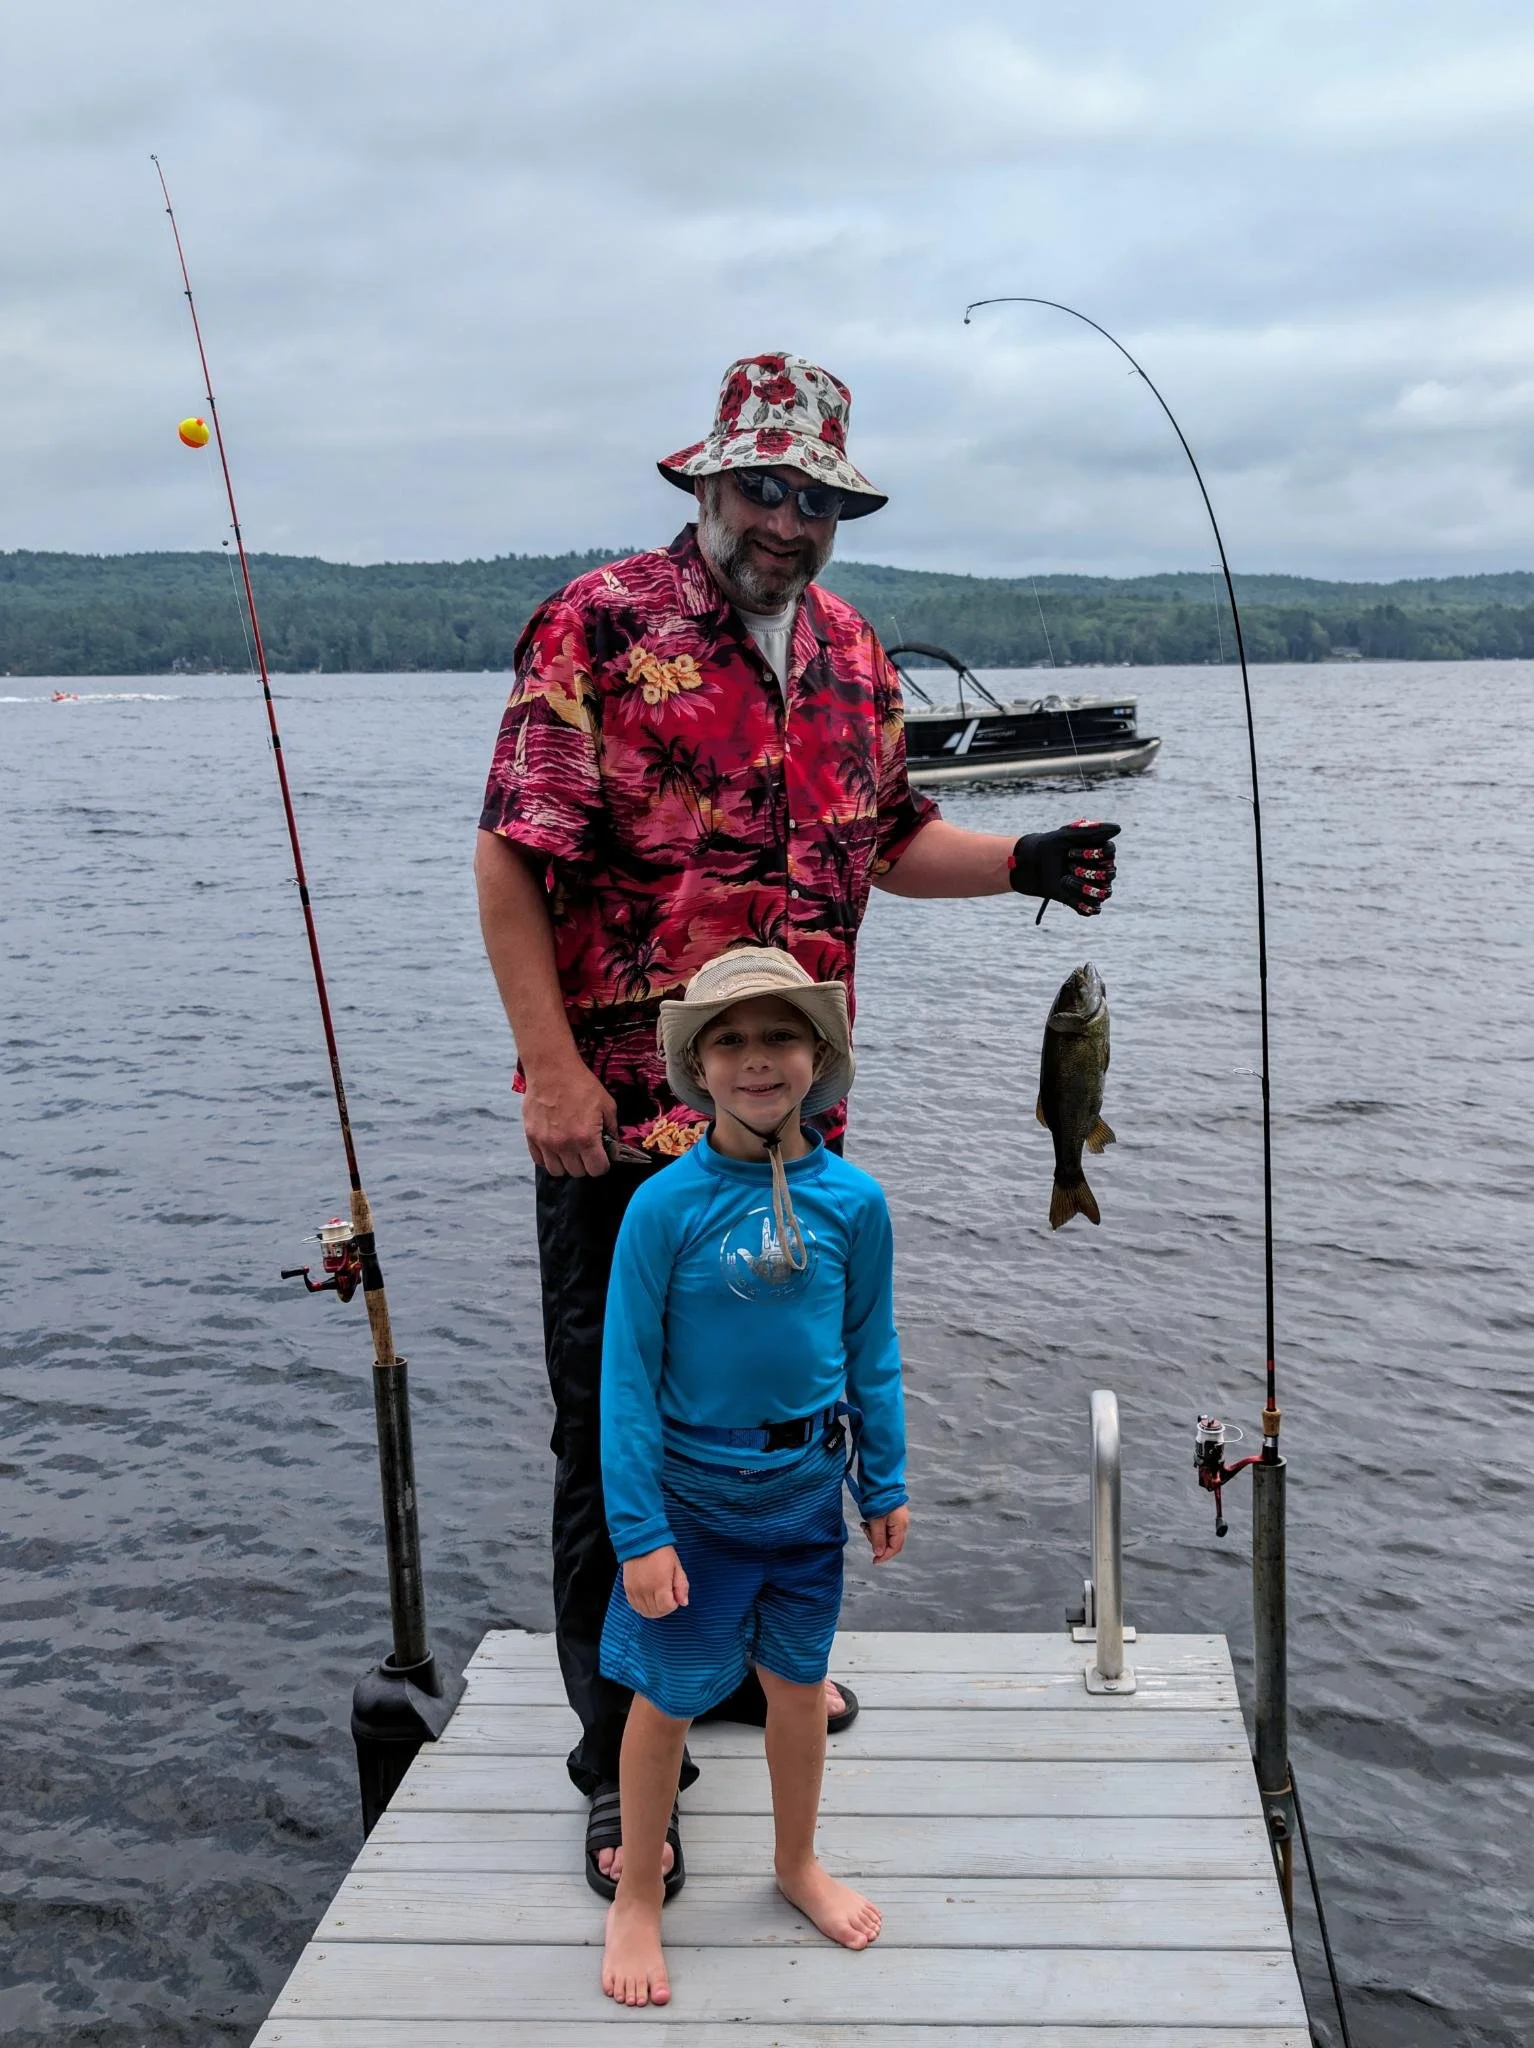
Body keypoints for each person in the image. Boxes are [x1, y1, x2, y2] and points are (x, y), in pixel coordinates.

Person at [474, 350, 1118, 1893]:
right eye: (765, 487)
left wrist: (1026, 858)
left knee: (786, 1413)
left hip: (796, 1137)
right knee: (614, 1438)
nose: (790, 520)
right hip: (626, 1134)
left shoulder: (846, 647)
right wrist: (549, 1071)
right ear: (705, 483)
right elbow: (513, 858)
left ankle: (759, 1660)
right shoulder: (599, 623)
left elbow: (889, 840)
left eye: (817, 497)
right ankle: (618, 1764)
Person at [598, 946, 908, 2008]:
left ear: (817, 1054)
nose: (755, 1058)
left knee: (796, 1687)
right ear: (697, 1065)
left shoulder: (855, 1201)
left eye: (778, 1034)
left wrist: (884, 1477)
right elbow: (626, 1380)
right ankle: (638, 1888)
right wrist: (640, 1531)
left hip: (806, 1497)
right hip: (694, 1502)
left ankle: (793, 1861)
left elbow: (871, 1348)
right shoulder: (664, 1207)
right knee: (666, 1696)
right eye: (727, 1039)